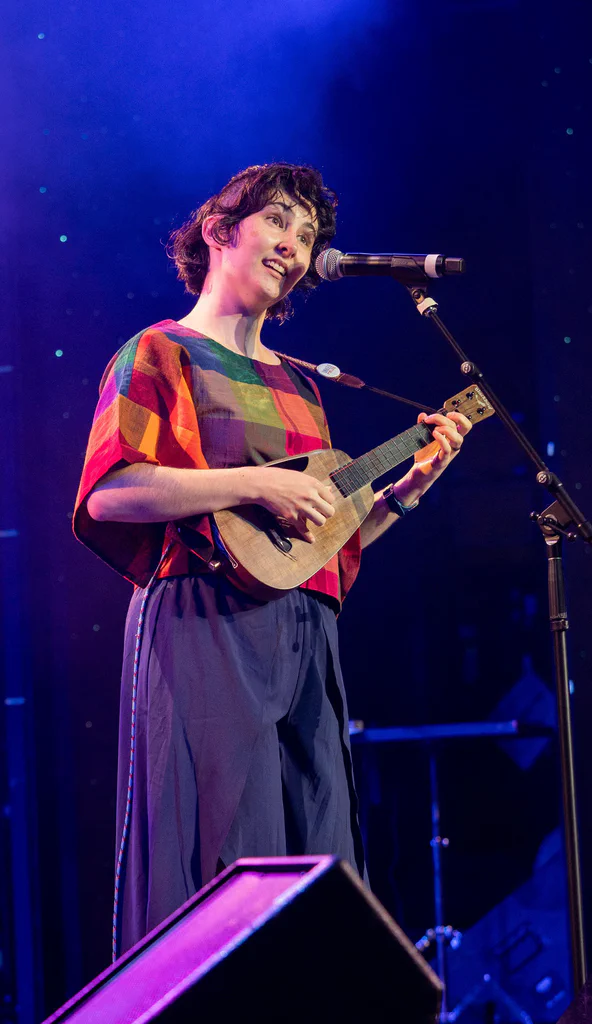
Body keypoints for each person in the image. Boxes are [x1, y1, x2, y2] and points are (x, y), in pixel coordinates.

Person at [73, 162, 472, 959]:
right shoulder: (161, 352)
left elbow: (318, 545)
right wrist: (252, 481)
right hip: (203, 623)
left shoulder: (301, 384)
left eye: (309, 235)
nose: (295, 245)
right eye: (280, 221)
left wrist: (405, 492)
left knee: (315, 851)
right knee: (223, 853)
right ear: (221, 229)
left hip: (305, 634)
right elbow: (109, 494)